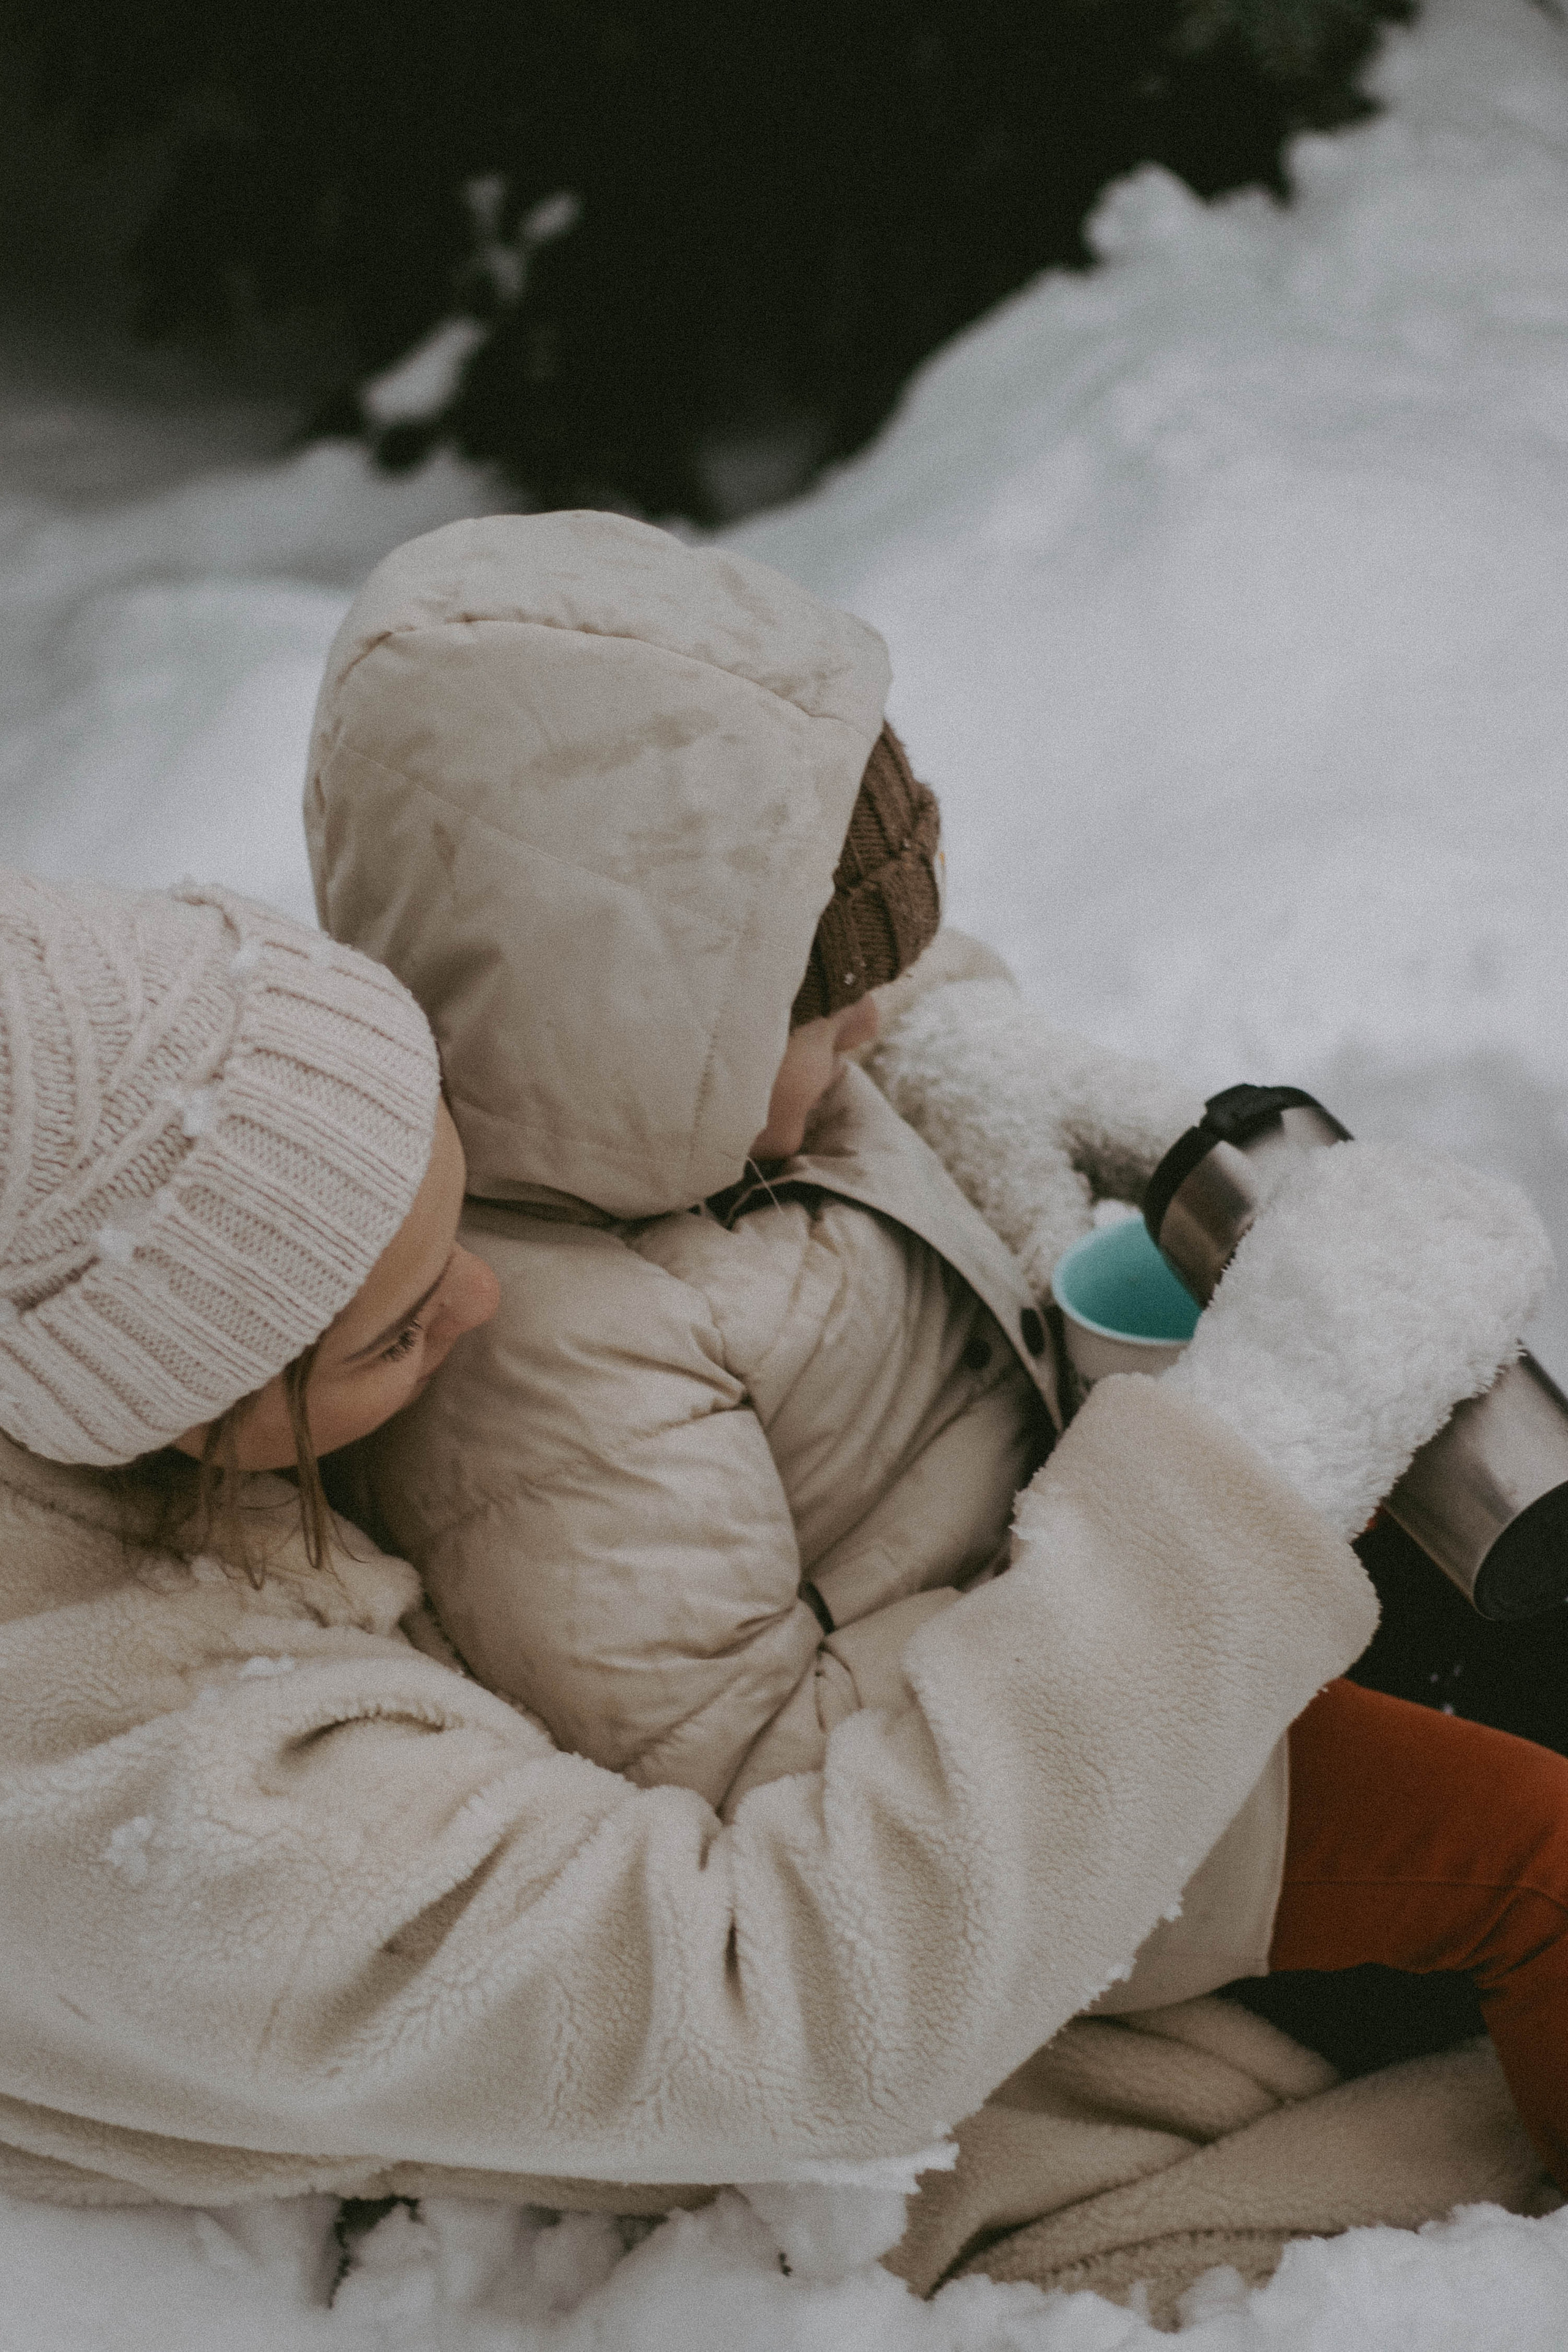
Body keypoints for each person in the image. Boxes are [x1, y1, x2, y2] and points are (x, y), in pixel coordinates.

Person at [306, 510, 1568, 2190]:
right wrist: (1167, 1525)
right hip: (1051, 1771)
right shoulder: (547, 1364)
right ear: (618, 1031)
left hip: (1128, 1605)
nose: (874, 1028)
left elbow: (883, 994)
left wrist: (984, 1056)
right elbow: (751, 1774)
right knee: (1539, 1852)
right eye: (819, 1004)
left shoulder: (724, 1105)